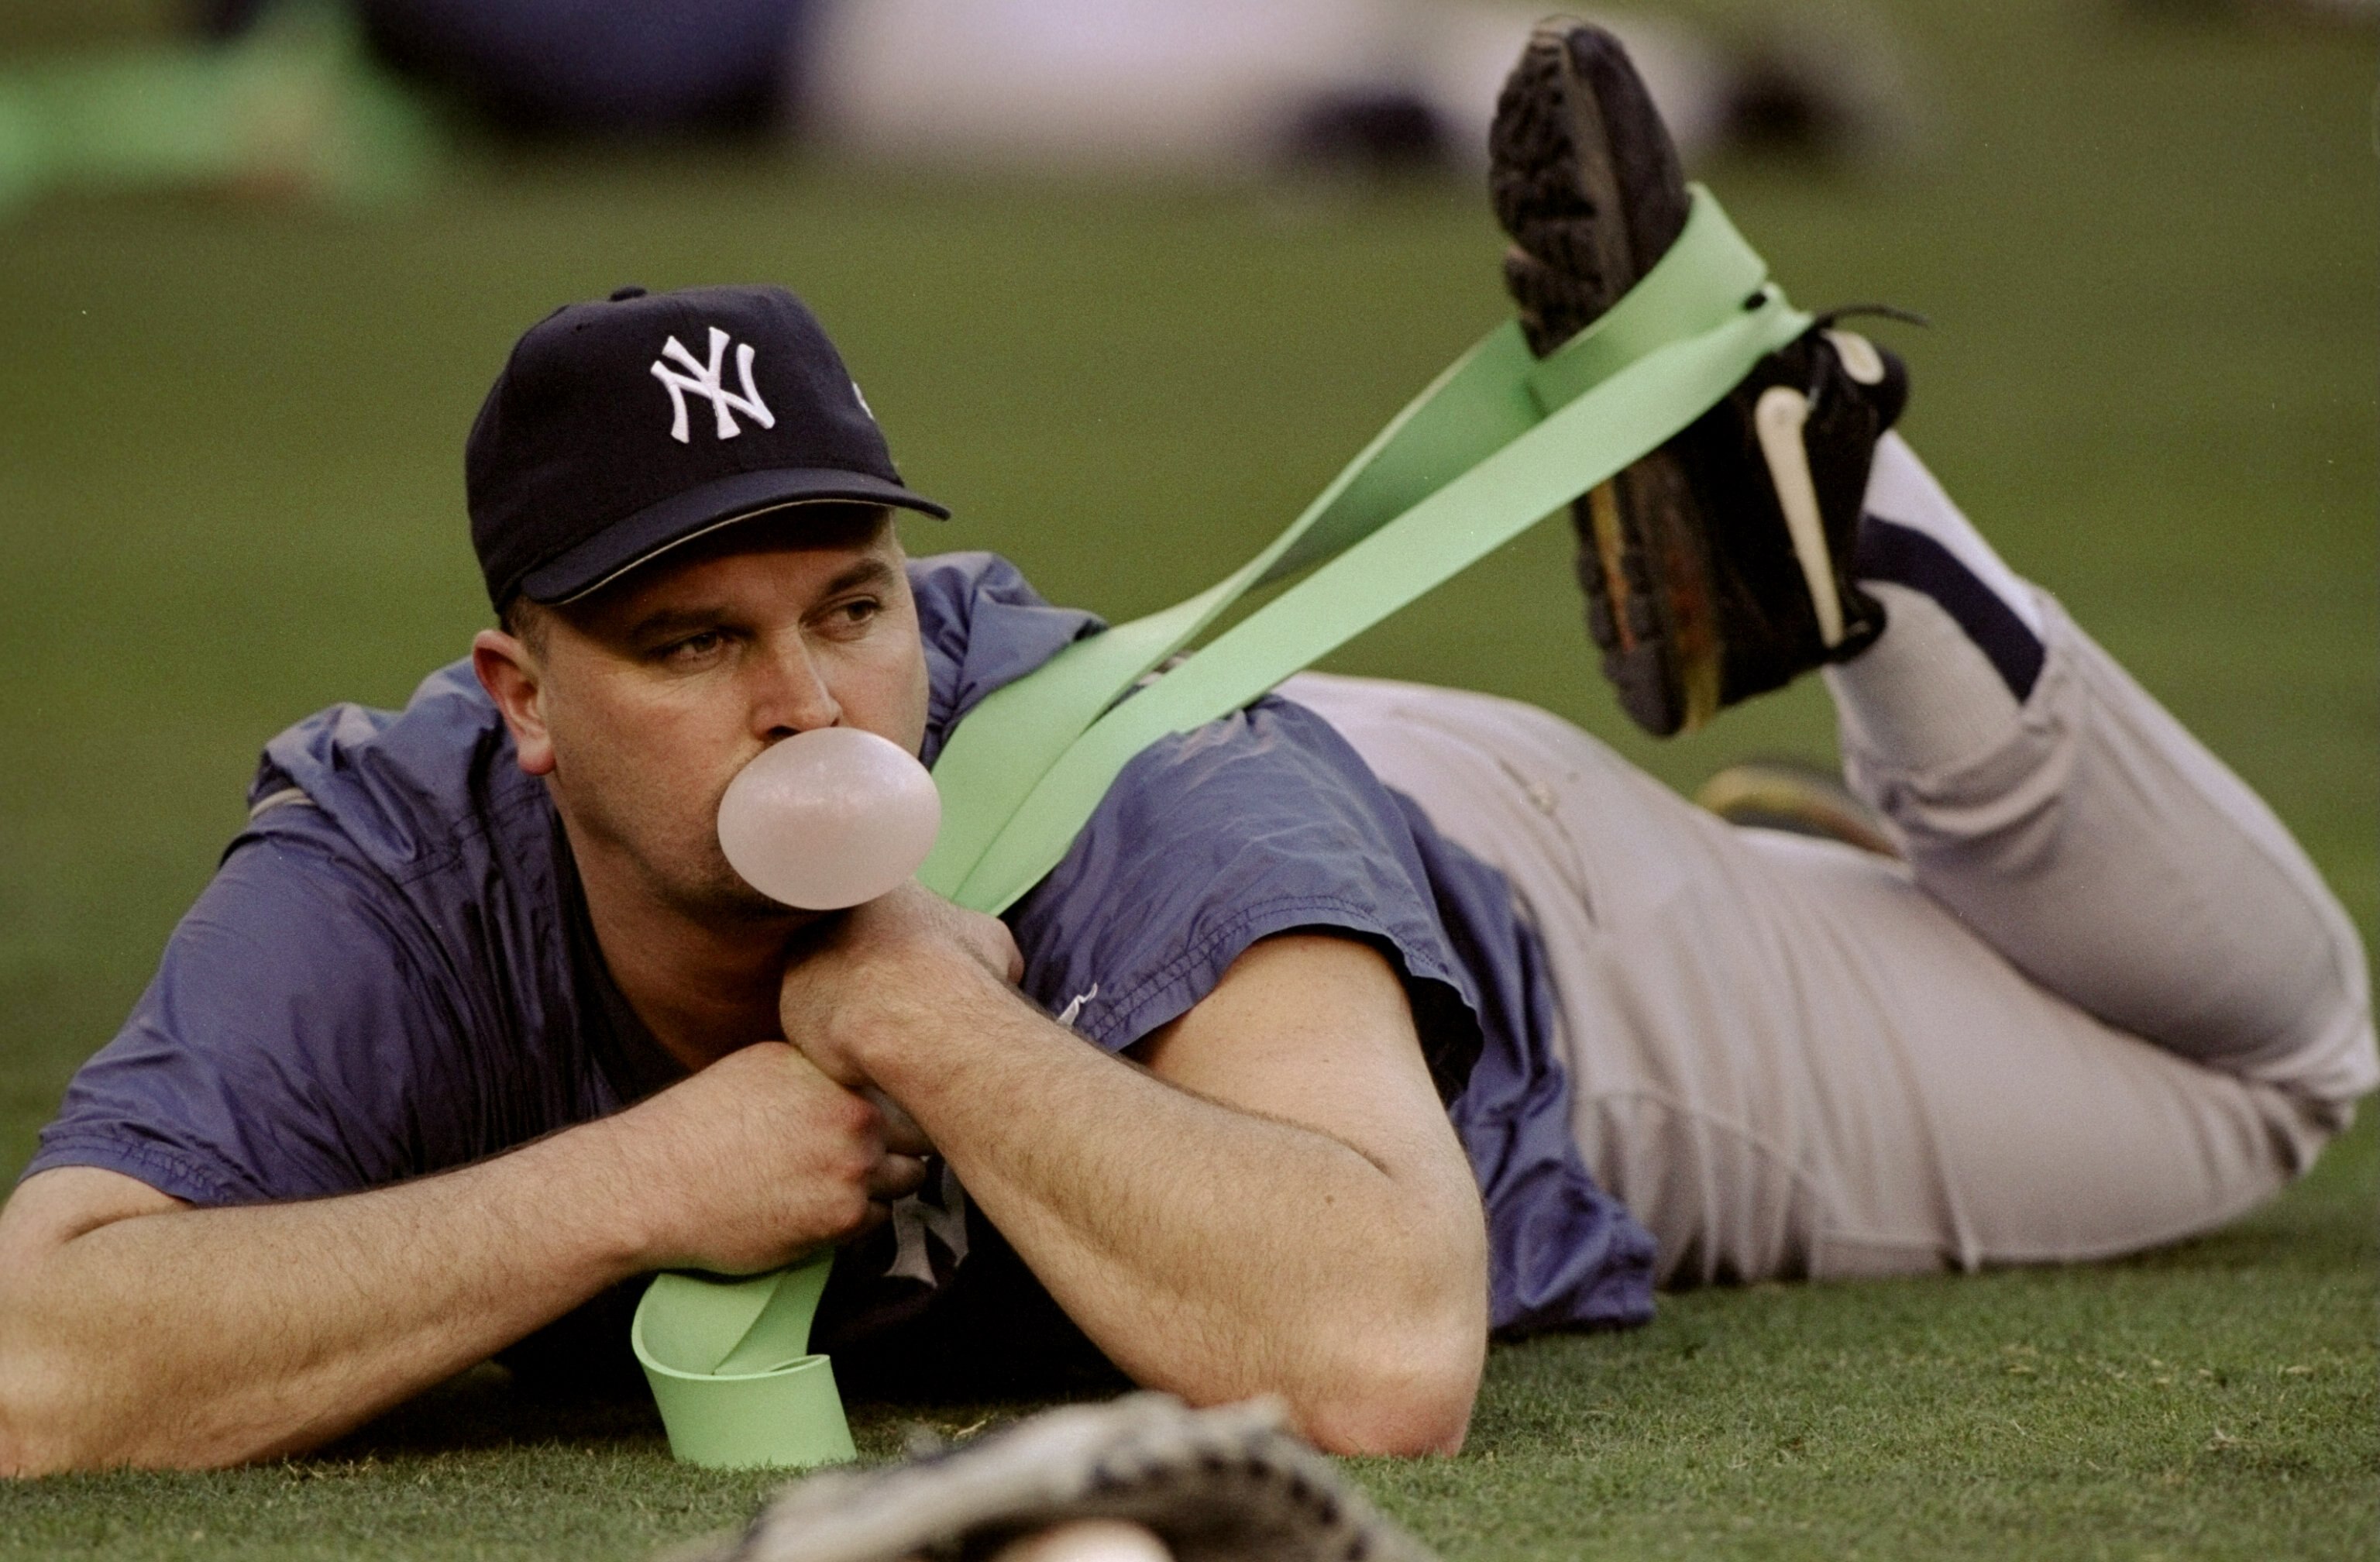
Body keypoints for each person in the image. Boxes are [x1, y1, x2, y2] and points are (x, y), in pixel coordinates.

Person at [0, 23, 2368, 1478]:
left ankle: (1854, 514)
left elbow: (1376, 1355)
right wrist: (629, 1186)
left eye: (846, 609)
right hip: (1324, 869)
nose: (812, 706)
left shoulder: (1133, 799)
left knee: (2277, 1071)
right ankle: (1857, 809)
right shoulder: (396, 858)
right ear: (517, 701)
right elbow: (38, 1365)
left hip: (1559, 955)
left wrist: (936, 1012)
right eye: (689, 644)